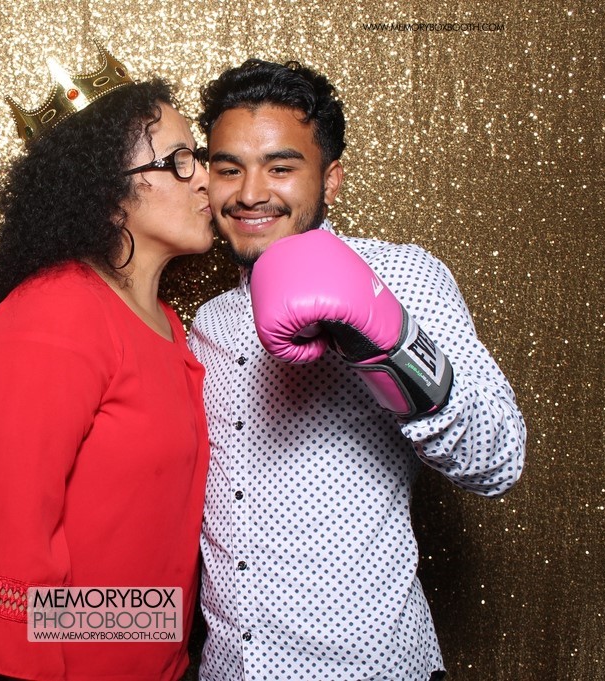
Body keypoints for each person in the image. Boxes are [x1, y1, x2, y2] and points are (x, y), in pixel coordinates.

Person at [188, 58, 526, 680]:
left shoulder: (401, 276)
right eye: (228, 168)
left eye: (281, 167)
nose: (250, 193)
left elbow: (499, 460)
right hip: (231, 666)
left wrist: (388, 346)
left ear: (331, 179)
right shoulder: (208, 322)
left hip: (369, 665)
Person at [0, 43, 214, 681]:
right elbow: (2, 547)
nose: (205, 177)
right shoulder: (56, 313)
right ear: (107, 194)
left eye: (199, 155)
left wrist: (160, 645)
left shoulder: (169, 324)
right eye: (178, 161)